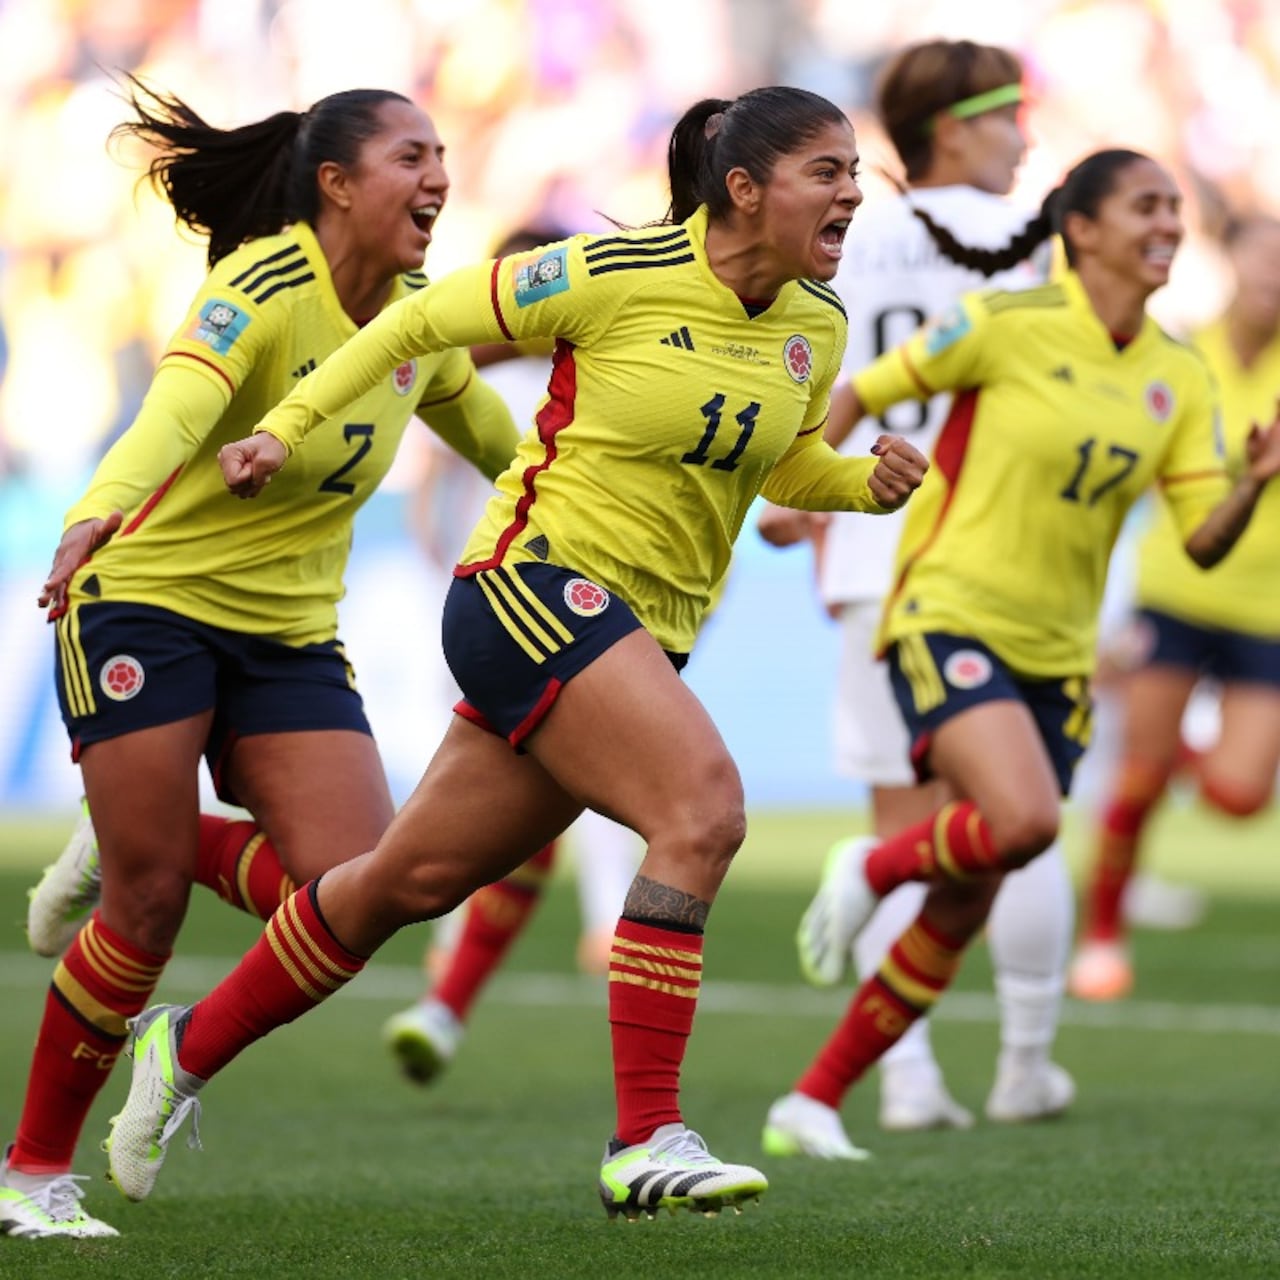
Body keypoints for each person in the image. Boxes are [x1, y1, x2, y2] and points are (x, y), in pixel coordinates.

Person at [100, 85, 929, 1223]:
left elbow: (775, 466)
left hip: (636, 630)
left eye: (852, 173)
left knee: (402, 881)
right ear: (744, 189)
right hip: (529, 590)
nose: (850, 194)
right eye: (826, 172)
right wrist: (281, 426)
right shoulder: (610, 271)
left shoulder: (814, 322)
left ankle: (182, 1046)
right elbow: (414, 323)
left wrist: (858, 485)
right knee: (702, 808)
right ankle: (644, 1137)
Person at [1, 80, 520, 1241]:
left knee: (359, 888)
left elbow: (500, 441)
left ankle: (150, 842)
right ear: (337, 184)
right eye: (409, 156)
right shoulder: (262, 286)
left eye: (442, 155)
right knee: (140, 906)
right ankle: (30, 1169)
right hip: (147, 606)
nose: (438, 176)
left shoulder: (414, 316)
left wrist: (601, 500)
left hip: (287, 637)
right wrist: (96, 512)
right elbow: (176, 410)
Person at [758, 148, 1280, 1160]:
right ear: (1079, 229)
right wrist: (805, 488)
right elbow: (862, 390)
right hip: (947, 611)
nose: (1167, 223)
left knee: (971, 887)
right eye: (1144, 206)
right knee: (1024, 818)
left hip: (1057, 651)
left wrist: (1251, 482)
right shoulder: (1001, 326)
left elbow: (1195, 535)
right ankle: (870, 864)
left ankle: (812, 1098)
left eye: (1174, 206)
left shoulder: (1173, 371)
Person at [756, 38, 1075, 1142]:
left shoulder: (846, 230)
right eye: (1007, 115)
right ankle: (1025, 1061)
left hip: (870, 551)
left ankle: (904, 1075)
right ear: (955, 126)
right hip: (1001, 554)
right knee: (1018, 822)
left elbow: (813, 371)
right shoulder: (1046, 241)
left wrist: (799, 499)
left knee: (899, 814)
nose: (1023, 136)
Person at [383, 224, 644, 1084]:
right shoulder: (587, 370)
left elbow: (430, 469)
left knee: (519, 791)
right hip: (571, 610)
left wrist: (435, 551)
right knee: (610, 793)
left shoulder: (482, 370)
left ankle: (446, 994)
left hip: (477, 600)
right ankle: (603, 929)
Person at [1069, 212, 1280, 1001]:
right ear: (1232, 259)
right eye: (1265, 255)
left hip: (1267, 608)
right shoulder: (1183, 353)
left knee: (1240, 795)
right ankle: (1100, 939)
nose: (1275, 275)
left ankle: (1148, 724)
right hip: (1174, 588)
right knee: (1137, 779)